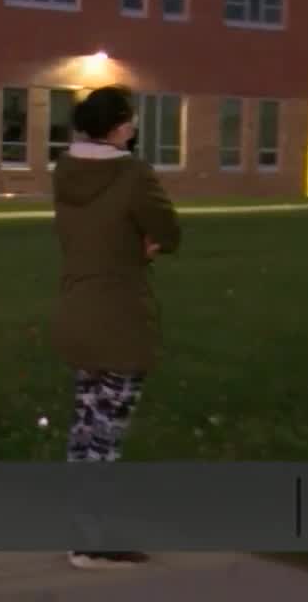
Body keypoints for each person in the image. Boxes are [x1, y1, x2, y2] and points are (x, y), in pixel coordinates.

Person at [50, 87, 180, 570]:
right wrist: (145, 244)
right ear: (119, 125)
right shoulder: (132, 174)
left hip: (76, 310)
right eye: (130, 120)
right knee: (106, 432)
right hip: (120, 317)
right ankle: (94, 540)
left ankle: (80, 529)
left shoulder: (66, 172)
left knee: (85, 424)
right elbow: (167, 229)